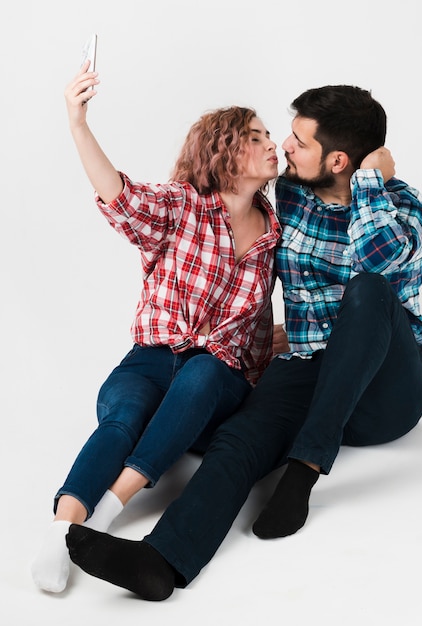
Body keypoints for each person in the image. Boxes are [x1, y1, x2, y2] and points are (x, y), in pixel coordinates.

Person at [64, 84, 422, 601]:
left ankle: (304, 471)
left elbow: (374, 259)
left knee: (368, 289)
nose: (284, 145)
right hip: (309, 364)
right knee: (238, 438)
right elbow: (221, 236)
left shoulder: (407, 207)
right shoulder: (288, 196)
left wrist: (369, 181)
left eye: (300, 141)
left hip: (389, 388)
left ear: (339, 160)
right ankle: (163, 558)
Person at [31, 61, 280, 594]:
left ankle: (106, 515)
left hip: (217, 378)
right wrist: (78, 123)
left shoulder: (274, 233)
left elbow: (254, 326)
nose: (271, 143)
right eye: (256, 136)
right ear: (226, 151)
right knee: (124, 418)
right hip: (150, 357)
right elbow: (119, 194)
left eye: (268, 135)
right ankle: (60, 532)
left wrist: (280, 345)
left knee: (204, 374)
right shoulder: (184, 206)